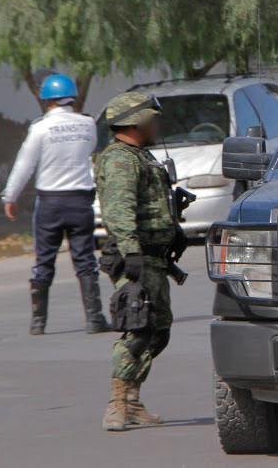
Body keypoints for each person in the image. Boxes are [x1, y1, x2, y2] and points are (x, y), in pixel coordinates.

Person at [95, 91, 180, 431]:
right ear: (137, 121)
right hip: (136, 257)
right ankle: (116, 405)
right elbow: (119, 210)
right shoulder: (120, 160)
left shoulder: (141, 156)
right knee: (137, 329)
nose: (157, 124)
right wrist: (131, 253)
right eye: (152, 118)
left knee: (158, 331)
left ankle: (132, 400)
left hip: (154, 259)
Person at [1, 73, 108, 335]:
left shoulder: (40, 128)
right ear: (71, 97)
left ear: (46, 100)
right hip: (80, 201)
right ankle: (94, 319)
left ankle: (38, 323)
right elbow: (90, 152)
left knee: (44, 260)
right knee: (85, 260)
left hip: (50, 203)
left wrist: (10, 197)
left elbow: (24, 164)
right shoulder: (88, 124)